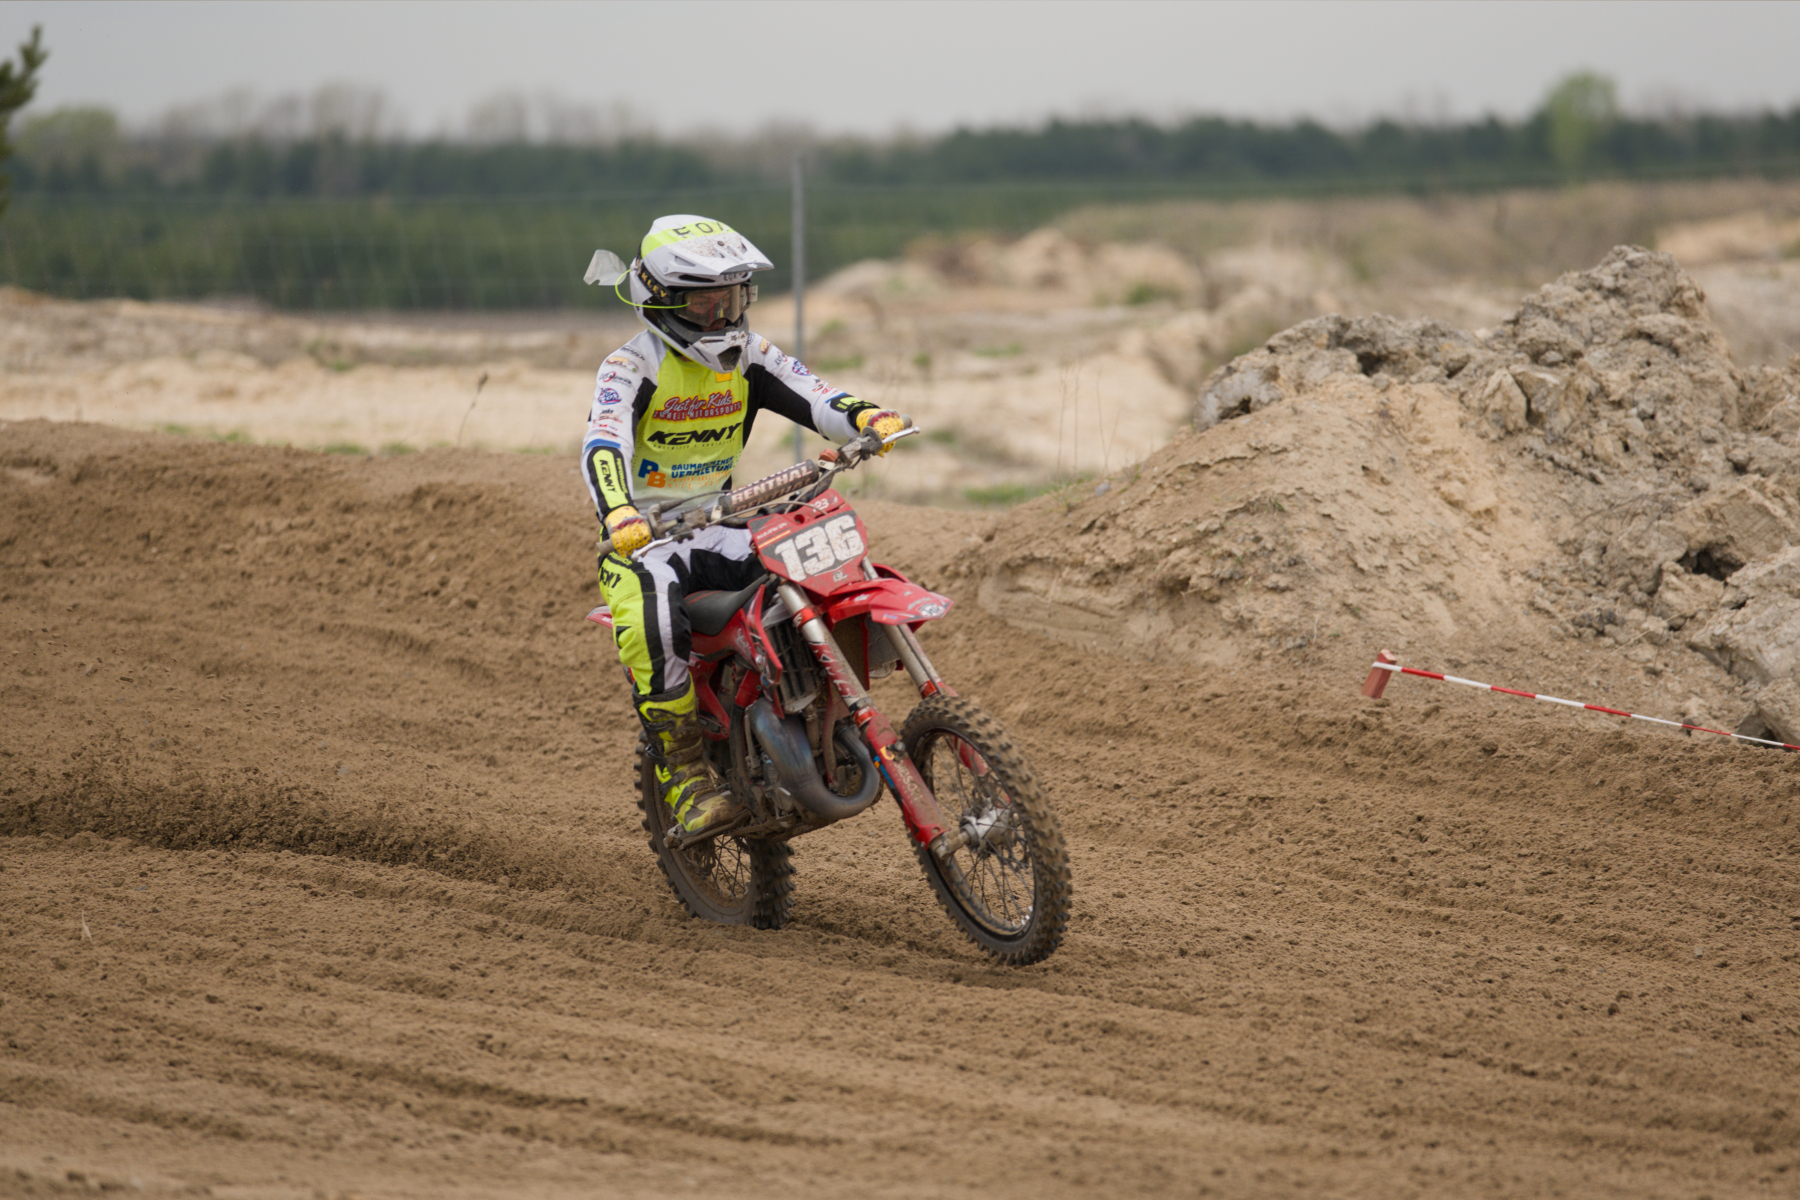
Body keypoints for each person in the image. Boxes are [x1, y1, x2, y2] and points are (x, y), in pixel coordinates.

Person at [582, 214, 906, 838]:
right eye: (703, 302)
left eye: (731, 298)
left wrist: (865, 415)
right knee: (653, 621)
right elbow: (604, 442)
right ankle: (684, 774)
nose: (720, 315)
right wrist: (618, 509)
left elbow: (814, 394)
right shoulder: (630, 366)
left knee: (811, 555)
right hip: (645, 538)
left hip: (721, 521)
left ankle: (816, 704)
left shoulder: (750, 354)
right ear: (661, 299)